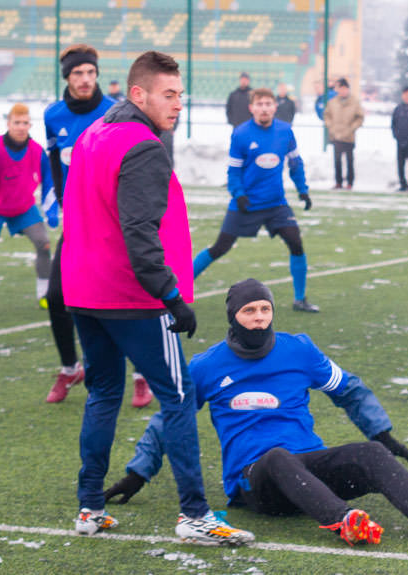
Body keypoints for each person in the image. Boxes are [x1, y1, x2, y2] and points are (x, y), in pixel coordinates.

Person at [103, 278, 408, 546]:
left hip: (309, 471)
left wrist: (381, 433)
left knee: (370, 453)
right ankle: (346, 521)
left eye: (265, 309)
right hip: (255, 483)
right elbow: (170, 416)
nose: (259, 317)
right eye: (249, 311)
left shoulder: (299, 350)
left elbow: (347, 387)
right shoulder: (206, 365)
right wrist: (139, 472)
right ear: (234, 317)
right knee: (278, 457)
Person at [60, 50, 255, 546]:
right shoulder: (143, 146)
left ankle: (90, 508)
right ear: (139, 94)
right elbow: (139, 233)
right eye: (169, 95)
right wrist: (171, 295)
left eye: (181, 95)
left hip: (83, 290)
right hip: (132, 296)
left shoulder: (92, 134)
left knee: (103, 393)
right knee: (179, 398)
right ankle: (194, 514)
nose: (178, 105)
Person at [43, 45, 154, 407]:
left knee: (125, 298)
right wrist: (61, 203)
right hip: (76, 224)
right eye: (78, 73)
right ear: (67, 78)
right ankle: (68, 367)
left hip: (113, 223)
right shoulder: (53, 115)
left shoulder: (115, 113)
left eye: (90, 72)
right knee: (58, 297)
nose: (86, 79)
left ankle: (141, 375)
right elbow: (56, 166)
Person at [193, 87, 318, 313]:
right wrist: (238, 194)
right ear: (251, 108)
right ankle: (181, 287)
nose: (264, 108)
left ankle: (300, 299)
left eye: (268, 104)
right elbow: (233, 172)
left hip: (276, 204)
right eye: (259, 104)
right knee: (220, 247)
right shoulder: (240, 134)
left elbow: (295, 164)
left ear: (275, 107)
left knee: (296, 243)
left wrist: (303, 190)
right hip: (247, 203)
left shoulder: (285, 132)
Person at [0, 103, 56, 306]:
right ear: (8, 123)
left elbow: (49, 182)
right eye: (17, 122)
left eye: (25, 123)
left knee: (43, 243)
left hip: (23, 208)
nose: (21, 127)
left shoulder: (37, 151)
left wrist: (51, 210)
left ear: (30, 125)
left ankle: (44, 292)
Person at [323, 78, 364, 190]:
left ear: (347, 89)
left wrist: (352, 128)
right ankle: (338, 182)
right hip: (336, 135)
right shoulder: (332, 102)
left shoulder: (354, 102)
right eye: (340, 88)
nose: (342, 91)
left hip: (349, 136)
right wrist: (330, 126)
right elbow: (326, 115)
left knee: (349, 160)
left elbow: (360, 117)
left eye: (344, 88)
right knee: (337, 160)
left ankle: (350, 182)